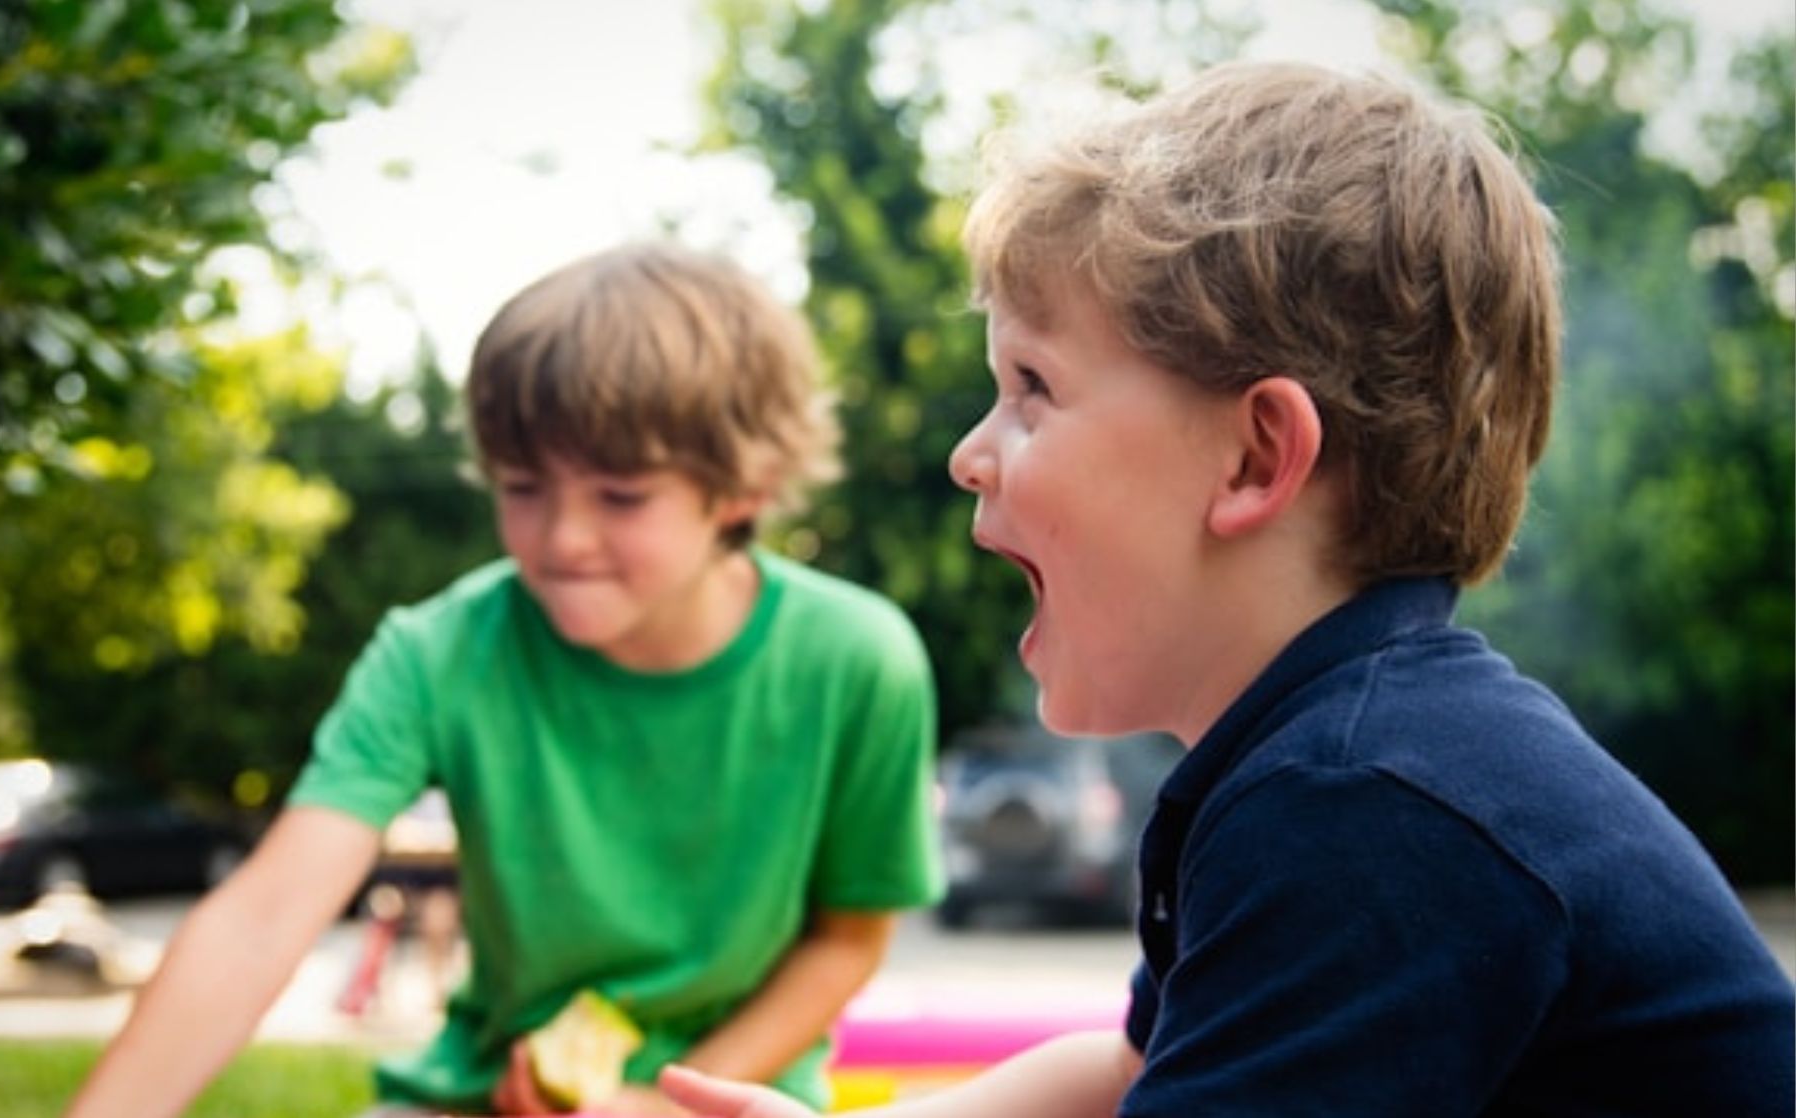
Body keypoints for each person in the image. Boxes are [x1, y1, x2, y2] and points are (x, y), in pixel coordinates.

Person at [658, 60, 1796, 1118]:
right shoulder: (1333, 753)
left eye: (1031, 386)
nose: (968, 450)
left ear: (1254, 458)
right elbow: (1130, 1069)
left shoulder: (1365, 807)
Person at [64, 242, 944, 1118]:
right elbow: (260, 922)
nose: (561, 539)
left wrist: (664, 1103)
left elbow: (848, 938)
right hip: (479, 1099)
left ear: (745, 487)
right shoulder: (437, 652)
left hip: (732, 1100)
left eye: (621, 496)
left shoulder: (858, 659)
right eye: (522, 487)